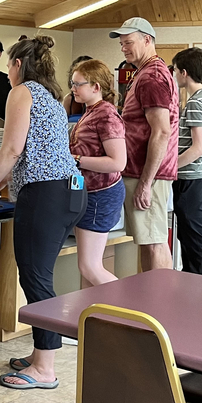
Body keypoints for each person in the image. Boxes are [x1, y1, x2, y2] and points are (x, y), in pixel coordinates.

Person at [0, 36, 84, 391]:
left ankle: (44, 368)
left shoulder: (21, 92)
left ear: (18, 64)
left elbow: (12, 148)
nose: (6, 72)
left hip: (46, 194)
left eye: (8, 65)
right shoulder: (49, 96)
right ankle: (41, 354)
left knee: (35, 278)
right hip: (69, 191)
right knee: (40, 276)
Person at [110, 17, 178, 271]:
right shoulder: (146, 72)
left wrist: (146, 183)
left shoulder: (152, 76)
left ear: (147, 40)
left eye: (128, 42)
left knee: (154, 241)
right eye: (121, 44)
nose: (123, 48)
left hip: (148, 172)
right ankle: (150, 300)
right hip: (142, 170)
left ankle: (159, 305)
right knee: (147, 241)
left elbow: (161, 131)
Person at [68, 59, 125, 287]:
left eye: (78, 84)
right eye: (72, 83)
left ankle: (130, 312)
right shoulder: (91, 111)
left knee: (90, 267)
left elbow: (117, 162)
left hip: (101, 194)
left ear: (96, 87)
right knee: (88, 267)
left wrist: (78, 160)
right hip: (90, 192)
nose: (73, 89)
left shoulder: (106, 115)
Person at [172, 48, 202, 276]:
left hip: (192, 176)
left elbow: (198, 147)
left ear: (184, 73)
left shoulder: (197, 103)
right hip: (194, 176)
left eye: (175, 70)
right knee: (189, 234)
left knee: (194, 235)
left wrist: (170, 166)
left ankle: (199, 281)